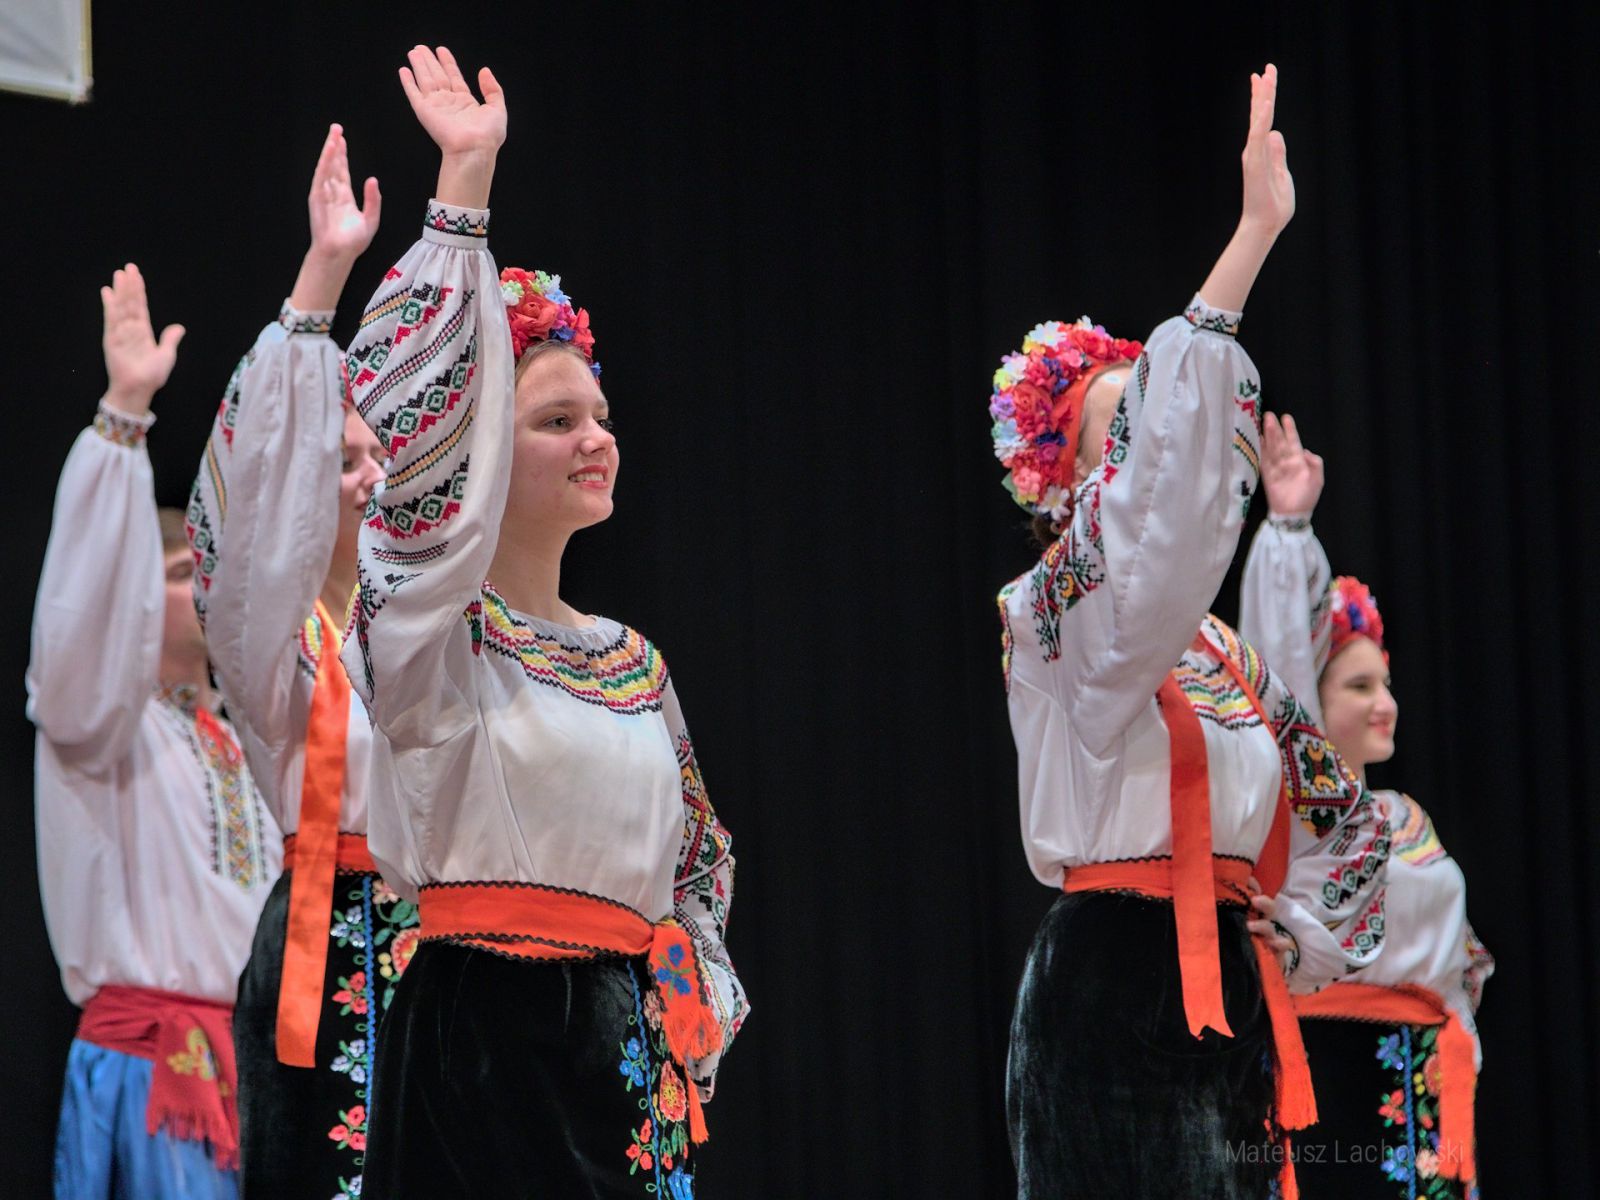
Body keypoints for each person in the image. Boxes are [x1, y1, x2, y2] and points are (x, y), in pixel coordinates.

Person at [337, 46, 747, 1197]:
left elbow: (698, 864)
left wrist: (687, 1005)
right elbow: (410, 449)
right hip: (485, 1048)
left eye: (600, 415)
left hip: (625, 1055)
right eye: (557, 420)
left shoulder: (632, 660)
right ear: (480, 449)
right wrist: (464, 186)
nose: (597, 438)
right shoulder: (431, 630)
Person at [992, 66, 1391, 1198]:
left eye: (1152, 421)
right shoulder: (1048, 614)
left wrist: (1295, 937)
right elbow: (1152, 535)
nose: (1152, 444)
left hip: (1228, 1013)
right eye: (1120, 431)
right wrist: (1248, 242)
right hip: (1110, 998)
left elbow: (1332, 811)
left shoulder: (1230, 660)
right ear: (1065, 479)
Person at [186, 123, 414, 1198]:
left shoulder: (408, 631)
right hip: (325, 949)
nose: (371, 475)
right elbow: (255, 488)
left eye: (376, 454)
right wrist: (323, 276)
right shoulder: (273, 649)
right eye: (343, 456)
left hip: (438, 953)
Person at [28, 264, 279, 1199]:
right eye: (178, 573)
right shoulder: (100, 721)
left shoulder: (245, 740)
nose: (200, 588)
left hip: (250, 1072)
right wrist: (124, 416)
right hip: (149, 1072)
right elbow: (86, 613)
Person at [1240, 412, 1492, 1198]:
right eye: (1358, 685)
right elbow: (1279, 667)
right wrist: (1288, 531)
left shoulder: (1406, 817)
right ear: (1314, 700)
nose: (1385, 703)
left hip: (1424, 1088)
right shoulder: (1302, 825)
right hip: (1333, 1085)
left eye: (1385, 682)